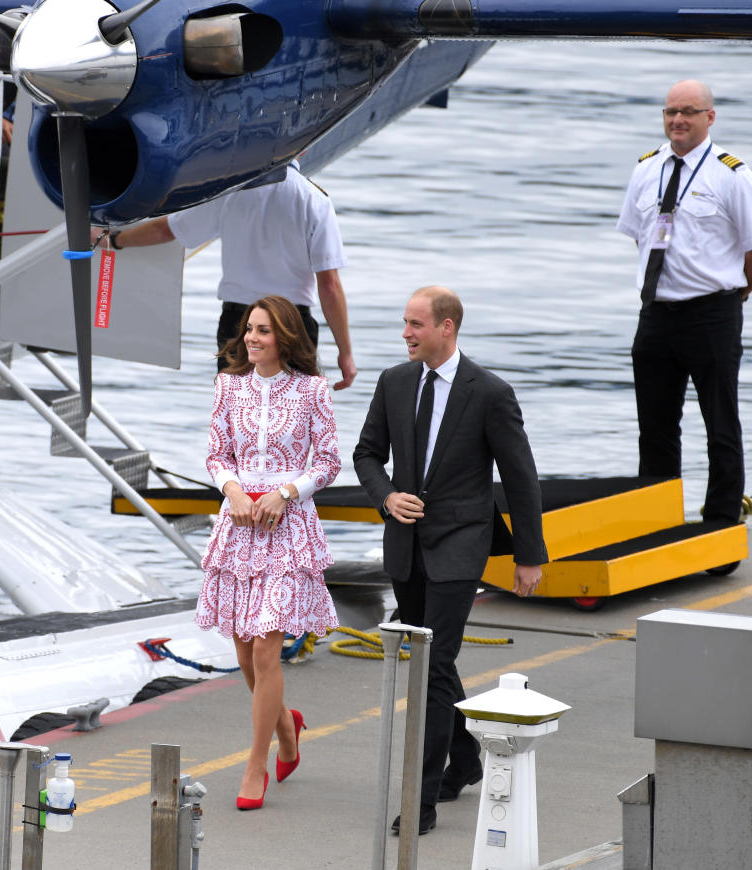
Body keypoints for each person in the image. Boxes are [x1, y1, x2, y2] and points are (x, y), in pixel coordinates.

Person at [352, 285, 547, 834]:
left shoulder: (489, 392)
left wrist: (529, 557)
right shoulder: (394, 382)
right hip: (407, 547)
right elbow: (366, 453)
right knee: (434, 666)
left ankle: (422, 802)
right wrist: (387, 495)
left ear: (447, 328)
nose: (406, 333)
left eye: (416, 324)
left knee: (432, 665)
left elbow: (520, 475)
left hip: (461, 547)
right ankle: (465, 761)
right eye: (404, 323)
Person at [195, 295, 341, 811]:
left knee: (265, 648)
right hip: (237, 526)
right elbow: (216, 454)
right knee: (241, 649)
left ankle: (256, 762)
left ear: (286, 337)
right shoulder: (228, 386)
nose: (252, 338)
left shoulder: (312, 390)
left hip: (287, 526)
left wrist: (285, 493)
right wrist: (233, 491)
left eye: (263, 331)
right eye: (249, 330)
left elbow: (327, 461)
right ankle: (285, 721)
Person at [616, 79, 752, 524]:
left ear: (709, 118)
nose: (677, 120)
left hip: (712, 313)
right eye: (670, 112)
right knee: (656, 429)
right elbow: (640, 237)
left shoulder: (731, 174)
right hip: (657, 314)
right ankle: (657, 521)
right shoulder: (646, 168)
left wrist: (737, 293)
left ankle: (722, 524)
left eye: (688, 111)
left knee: (720, 426)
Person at [95, 163, 357, 389]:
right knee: (292, 424)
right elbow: (329, 285)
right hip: (293, 324)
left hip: (240, 322)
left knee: (238, 423)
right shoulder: (314, 199)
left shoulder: (228, 193)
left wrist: (114, 240)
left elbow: (169, 230)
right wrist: (345, 353)